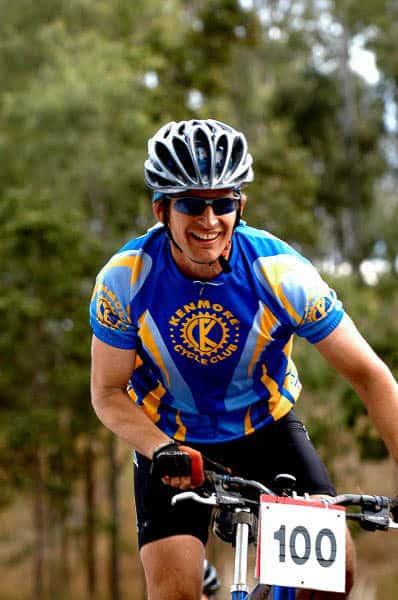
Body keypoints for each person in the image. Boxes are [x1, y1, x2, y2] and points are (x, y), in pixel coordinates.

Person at [89, 119, 398, 600]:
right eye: (191, 203)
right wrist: (160, 448)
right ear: (162, 209)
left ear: (240, 206)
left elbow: (370, 375)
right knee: (175, 592)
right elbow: (107, 393)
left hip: (267, 432)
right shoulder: (125, 280)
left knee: (331, 580)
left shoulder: (281, 273)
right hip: (172, 443)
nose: (208, 220)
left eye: (223, 203)